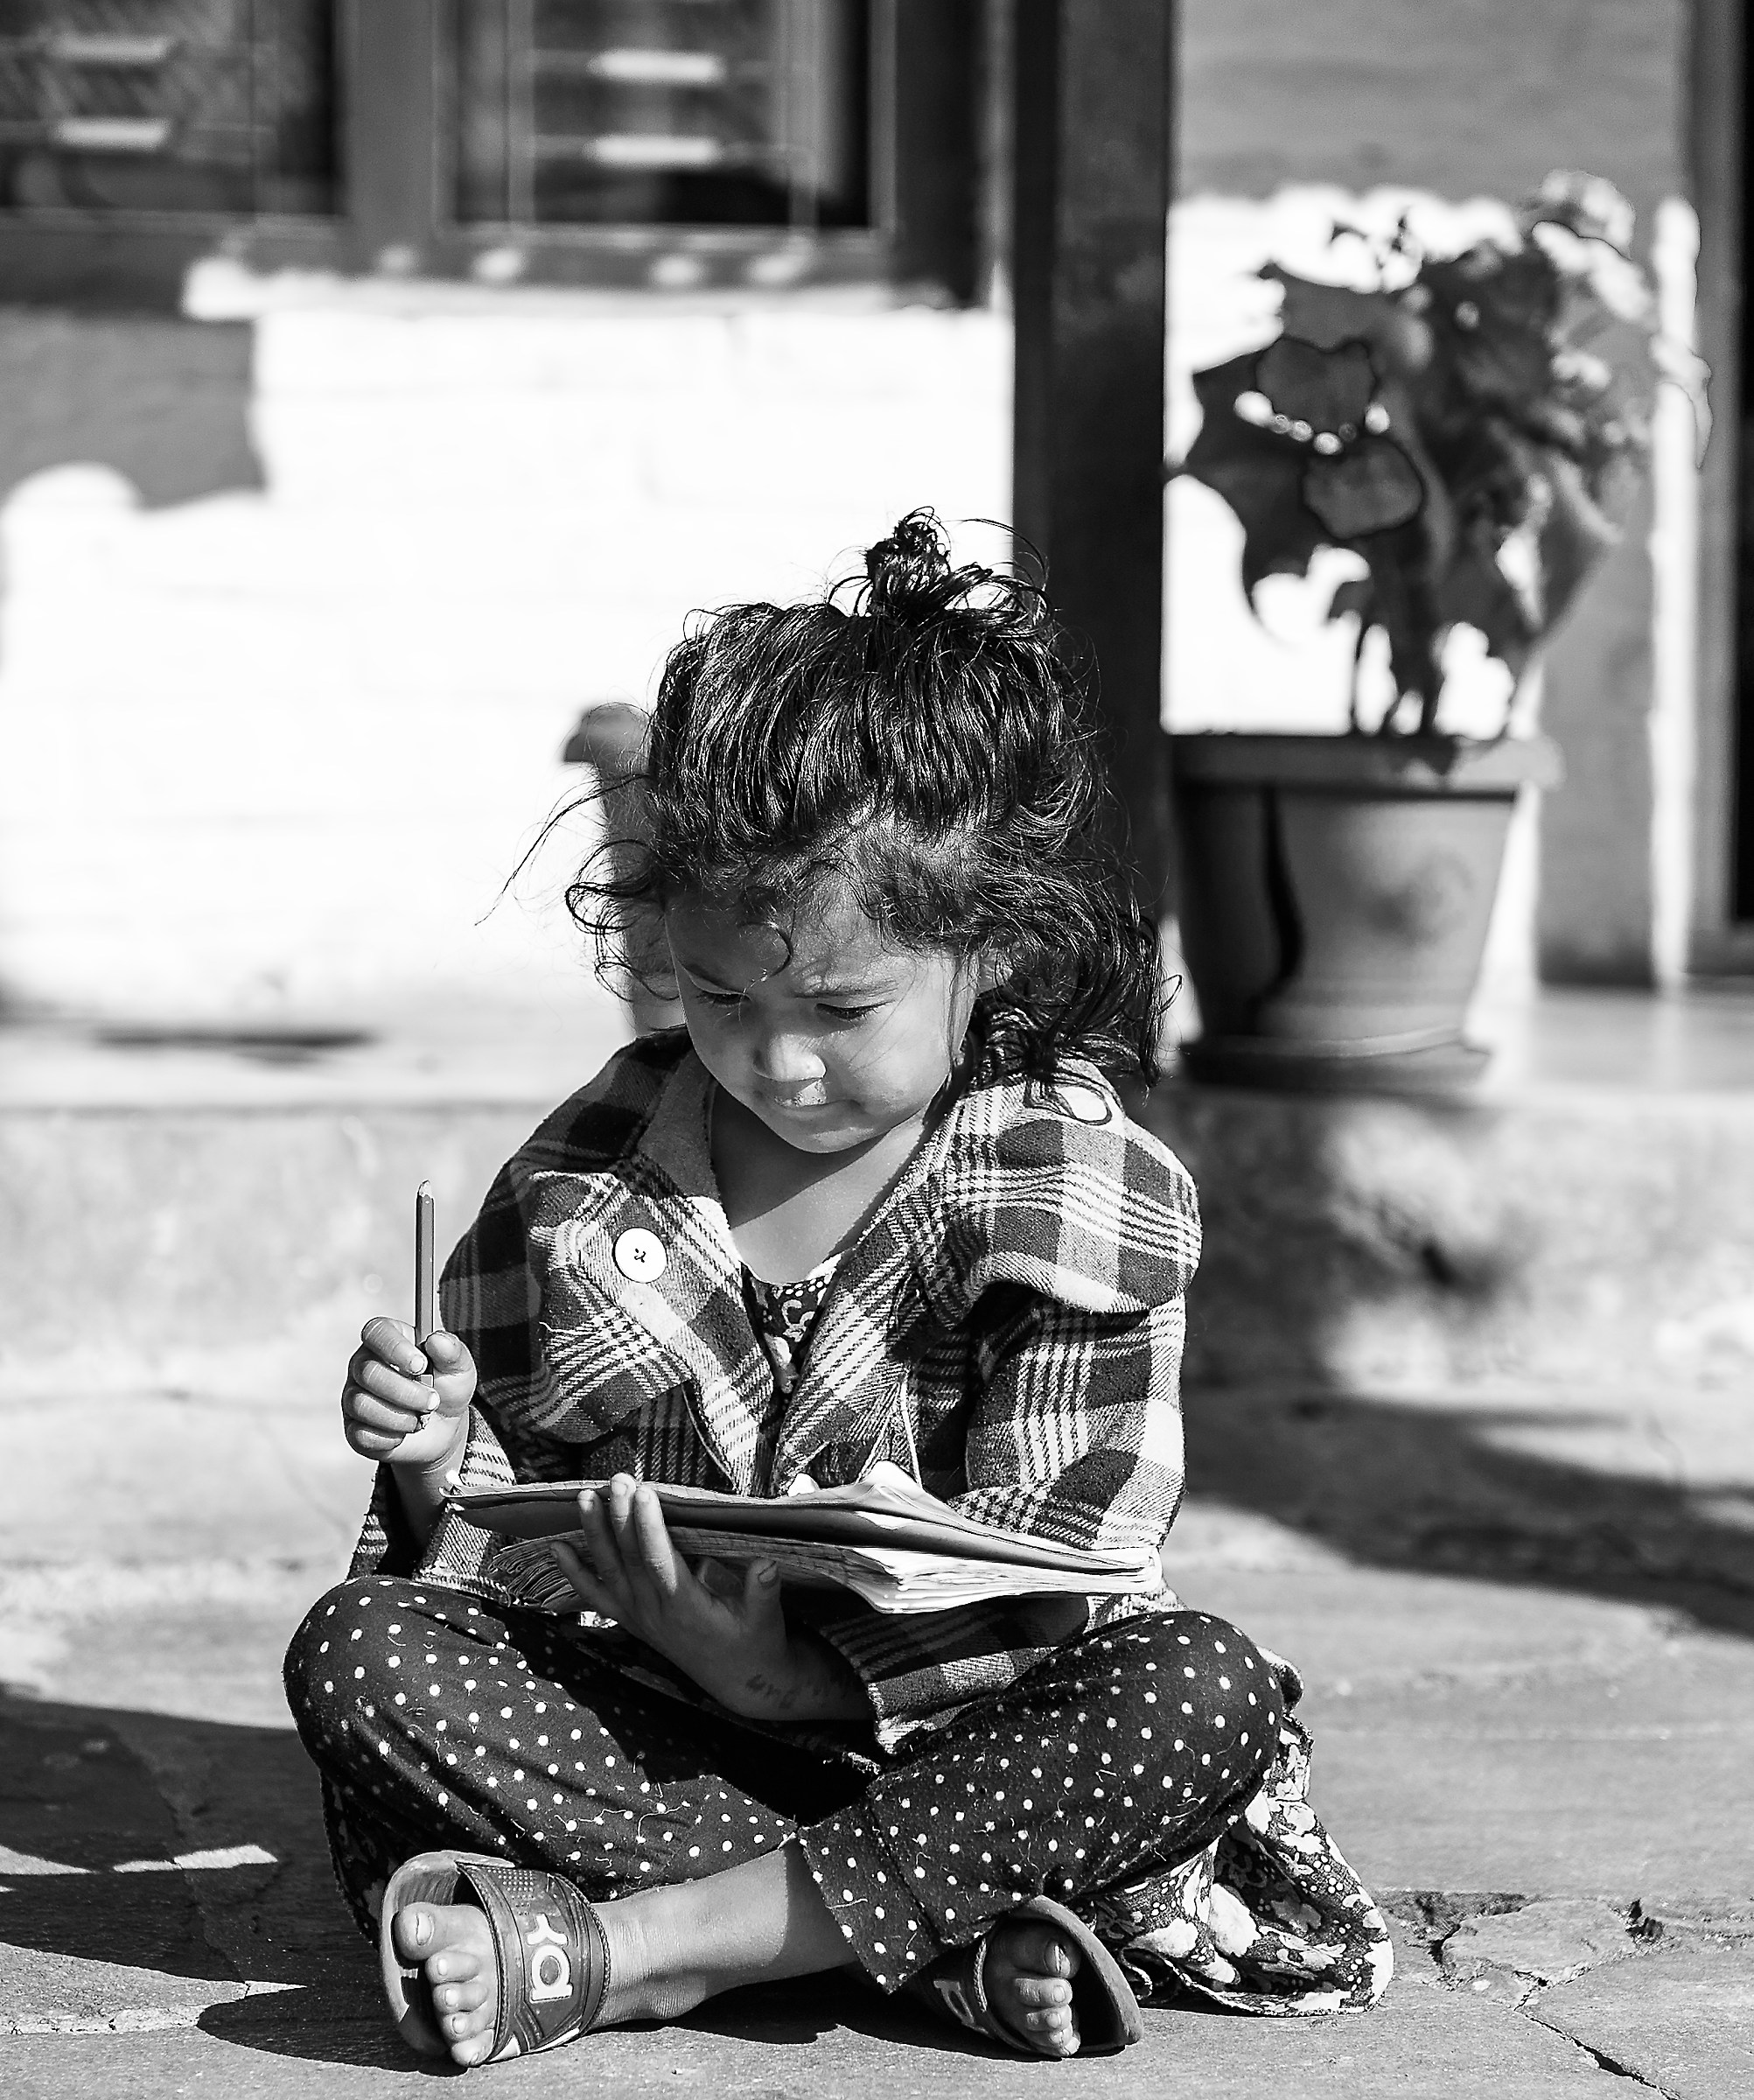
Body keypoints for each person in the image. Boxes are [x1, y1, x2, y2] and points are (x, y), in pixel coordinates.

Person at [283, 513, 1392, 2069]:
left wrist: (787, 1673)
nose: (778, 1057)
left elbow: (1066, 1570)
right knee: (361, 1653)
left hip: (963, 1743)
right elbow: (490, 1535)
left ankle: (641, 1948)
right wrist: (430, 1459)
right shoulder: (595, 1161)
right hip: (676, 1743)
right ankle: (925, 1943)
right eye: (719, 993)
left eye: (842, 1005)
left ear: (989, 948)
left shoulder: (1075, 1186)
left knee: (1191, 1688)